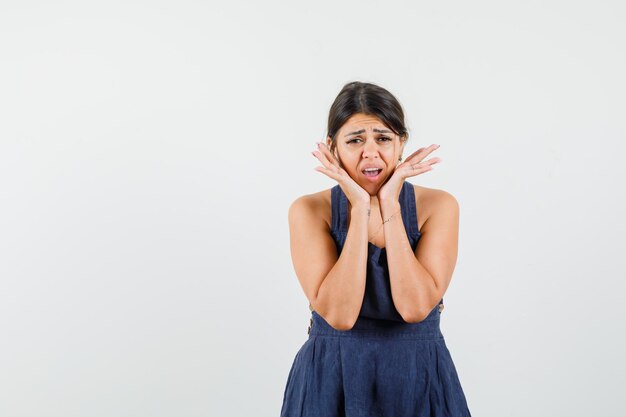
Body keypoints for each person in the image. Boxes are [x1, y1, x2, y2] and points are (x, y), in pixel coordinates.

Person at [280, 81, 472, 417]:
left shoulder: (439, 206)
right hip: (332, 378)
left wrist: (388, 204)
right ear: (332, 147)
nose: (371, 152)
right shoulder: (308, 211)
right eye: (355, 140)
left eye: (383, 138)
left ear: (401, 144)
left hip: (417, 377)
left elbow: (414, 308)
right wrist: (359, 208)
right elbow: (339, 316)